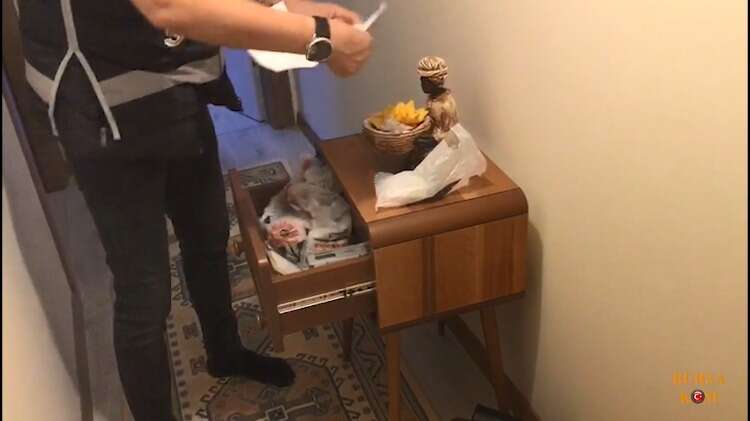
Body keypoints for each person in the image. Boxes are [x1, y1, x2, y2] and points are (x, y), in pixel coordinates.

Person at [17, 0, 372, 419]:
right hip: (101, 115)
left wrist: (295, 8)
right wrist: (319, 36)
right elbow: (167, 6)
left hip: (174, 94)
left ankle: (224, 352)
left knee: (207, 239)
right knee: (144, 293)